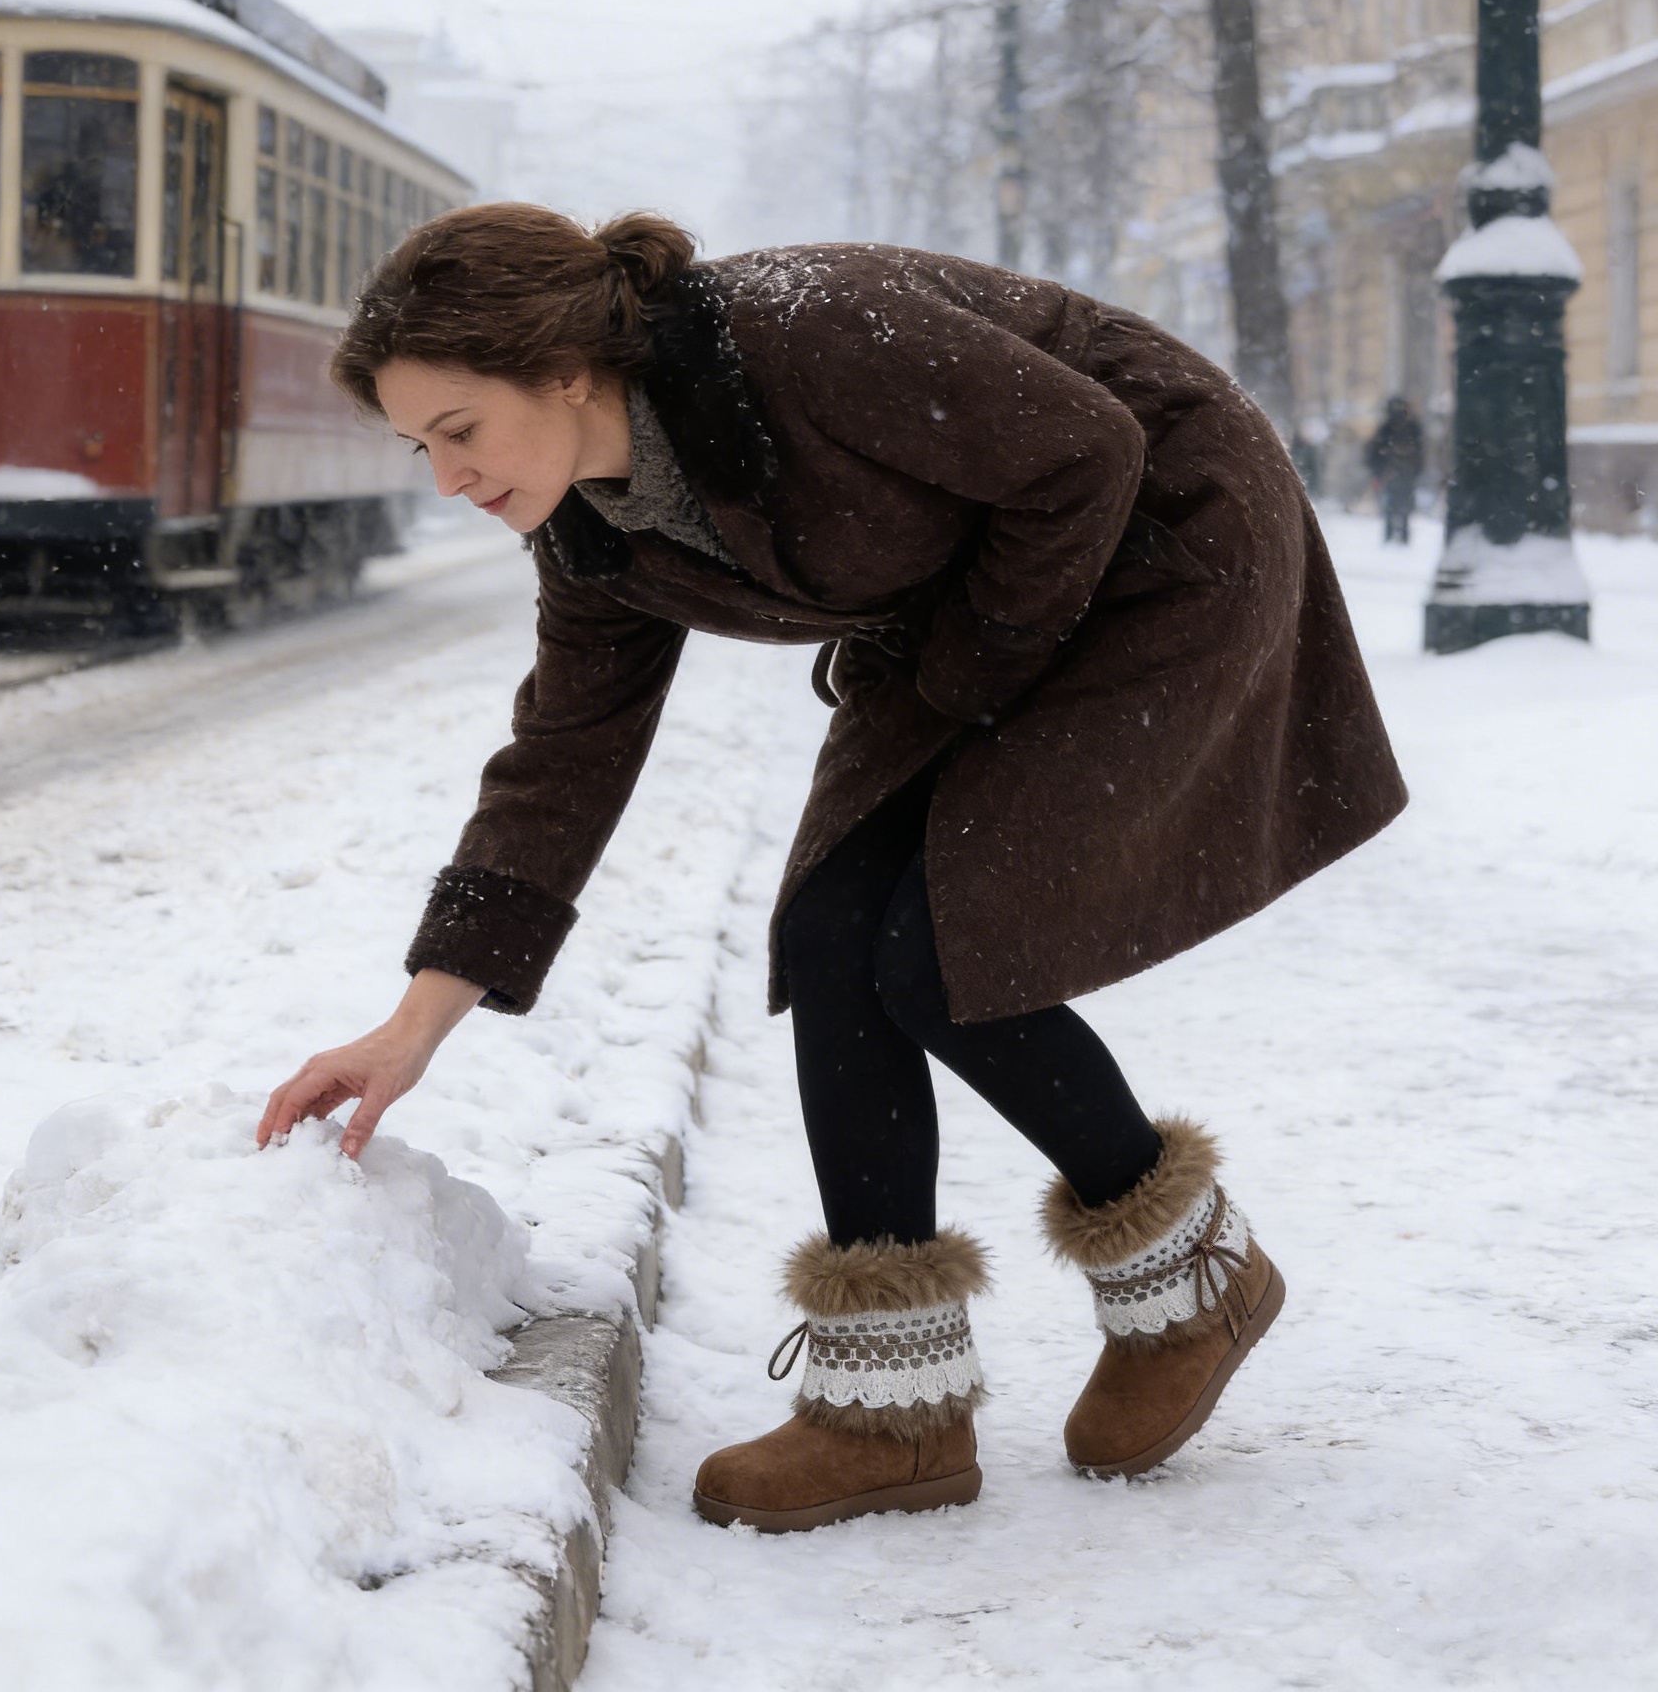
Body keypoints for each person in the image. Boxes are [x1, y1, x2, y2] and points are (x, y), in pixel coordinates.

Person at [259, 205, 1408, 1534]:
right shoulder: (592, 536)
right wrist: (413, 1023)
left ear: (565, 371)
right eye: (421, 447)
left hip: (1164, 535)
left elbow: (1088, 449)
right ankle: (891, 1410)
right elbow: (564, 758)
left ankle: (1191, 1283)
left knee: (932, 947)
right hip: (982, 599)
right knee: (830, 933)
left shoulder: (804, 339)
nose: (448, 479)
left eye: (460, 430)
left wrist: (958, 674)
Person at [1364, 396, 1425, 543]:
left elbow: (1374, 451)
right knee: (1401, 505)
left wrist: (1377, 471)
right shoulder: (1410, 427)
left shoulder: (1388, 428)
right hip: (1402, 472)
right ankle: (1400, 534)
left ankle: (1392, 534)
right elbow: (1419, 452)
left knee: (1392, 505)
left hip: (1392, 472)